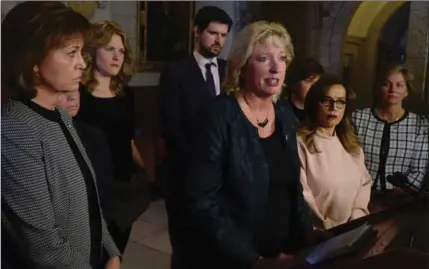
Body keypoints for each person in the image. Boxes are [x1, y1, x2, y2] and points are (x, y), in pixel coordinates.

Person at [182, 21, 312, 269]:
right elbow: (202, 202)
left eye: (282, 58)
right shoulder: (217, 116)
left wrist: (308, 238)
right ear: (242, 65)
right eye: (263, 58)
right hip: (233, 259)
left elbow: (292, 189)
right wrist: (254, 261)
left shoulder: (285, 114)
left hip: (284, 254)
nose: (275, 68)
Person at [1, 2, 120, 268]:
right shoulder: (14, 130)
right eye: (71, 53)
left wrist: (110, 250)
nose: (81, 64)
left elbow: (89, 198)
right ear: (32, 61)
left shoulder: (61, 116)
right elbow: (44, 248)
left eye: (81, 53)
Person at [158, 6, 233, 268]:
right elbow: (172, 127)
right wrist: (202, 166)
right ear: (197, 31)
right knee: (186, 248)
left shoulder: (229, 71)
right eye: (213, 33)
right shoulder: (176, 71)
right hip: (185, 175)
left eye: (223, 35)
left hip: (224, 178)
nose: (218, 41)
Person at [75, 20, 145, 254]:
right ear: (93, 51)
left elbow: (129, 140)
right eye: (109, 49)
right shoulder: (77, 94)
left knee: (116, 253)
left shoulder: (127, 95)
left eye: (121, 51)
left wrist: (143, 172)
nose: (117, 57)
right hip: (88, 189)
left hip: (122, 188)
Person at [297, 74, 371, 230]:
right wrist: (324, 225)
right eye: (326, 101)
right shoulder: (301, 142)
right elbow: (302, 193)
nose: (333, 108)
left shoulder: (352, 145)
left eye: (340, 102)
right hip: (317, 233)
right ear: (314, 104)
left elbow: (364, 183)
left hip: (351, 230)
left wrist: (356, 218)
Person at [353, 65, 428, 206]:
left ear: (407, 91)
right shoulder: (359, 118)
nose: (393, 90)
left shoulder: (419, 125)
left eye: (399, 85)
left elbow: (419, 169)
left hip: (400, 201)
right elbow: (349, 160)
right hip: (357, 195)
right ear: (378, 88)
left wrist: (403, 191)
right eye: (386, 84)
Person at [283, 58, 325, 123]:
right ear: (294, 83)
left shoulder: (322, 111)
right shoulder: (279, 112)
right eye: (309, 81)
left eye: (318, 82)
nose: (315, 86)